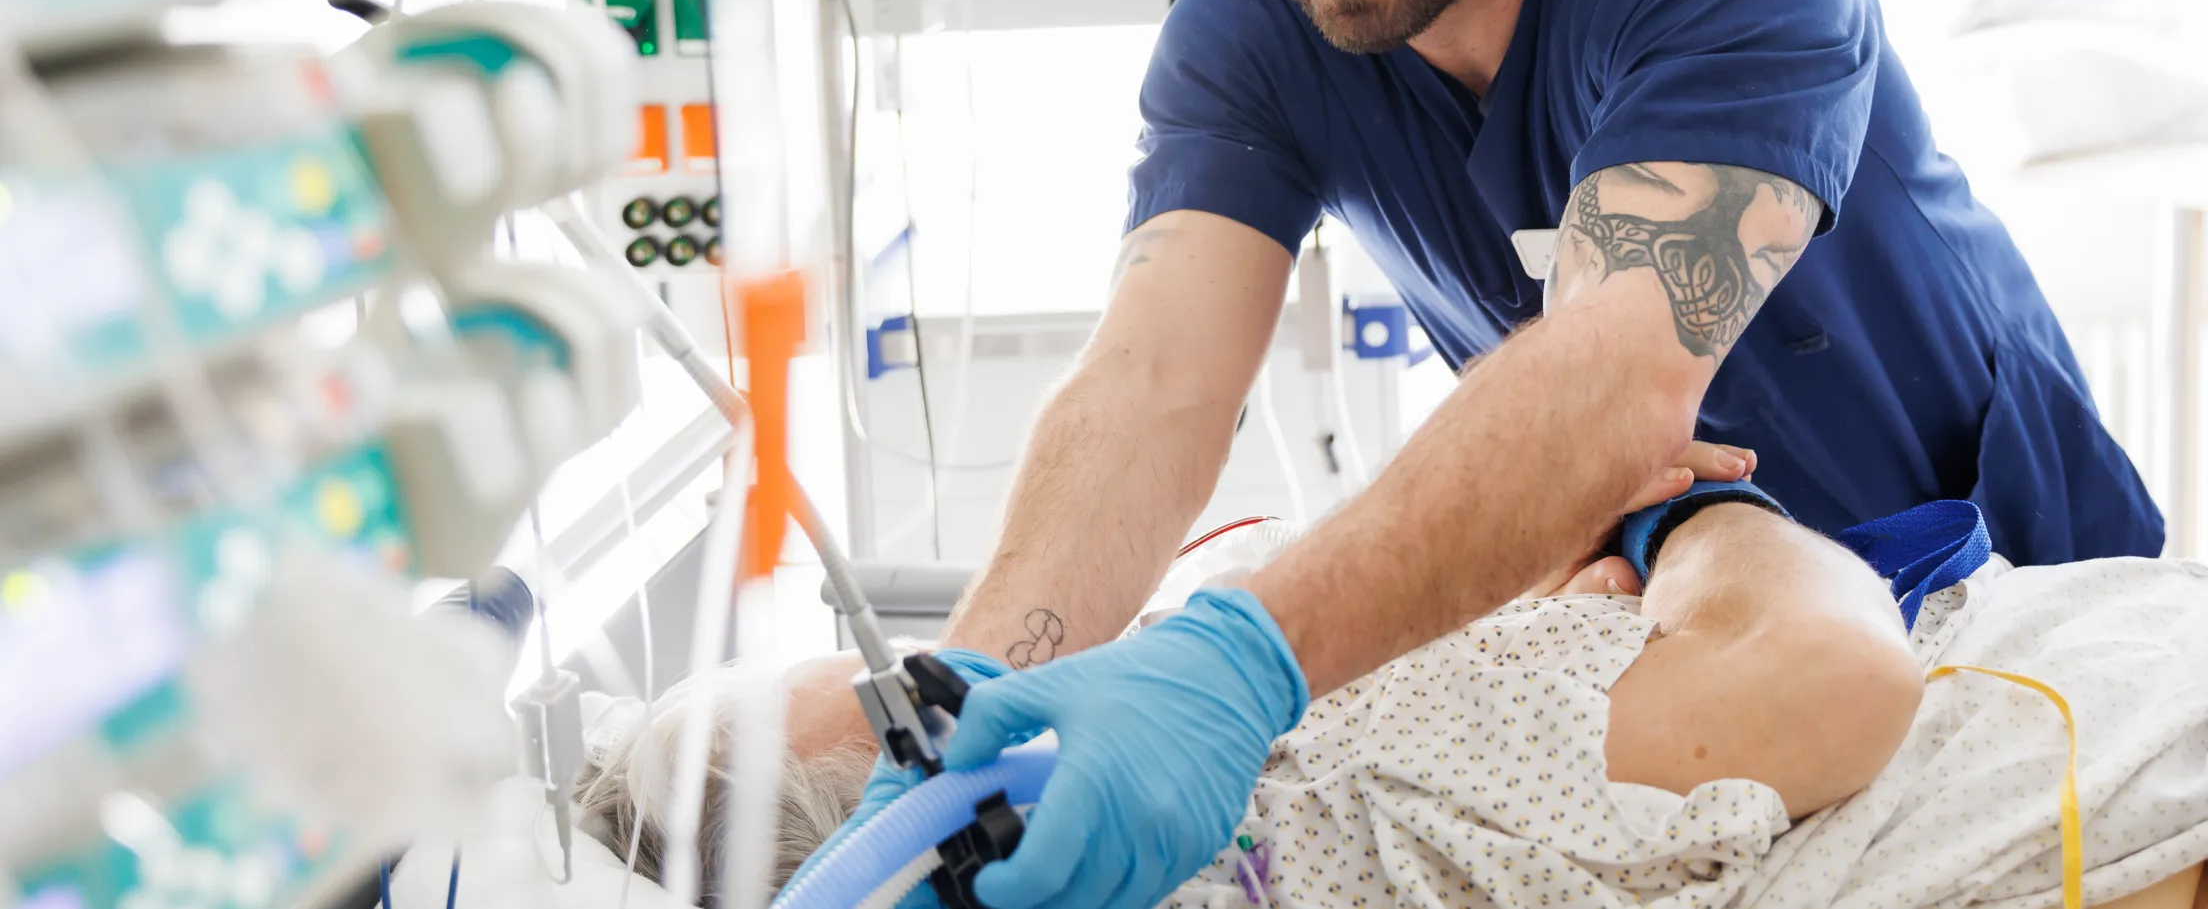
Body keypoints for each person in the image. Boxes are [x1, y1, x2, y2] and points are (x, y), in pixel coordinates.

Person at [825, 0, 2164, 909]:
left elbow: (1618, 378)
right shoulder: (1259, 29)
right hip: (1643, 584)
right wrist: (974, 688)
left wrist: (1237, 662)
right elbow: (1152, 381)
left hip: (1985, 565)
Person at [581, 489, 2208, 909]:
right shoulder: (1335, 820)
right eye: (901, 709)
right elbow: (1823, 674)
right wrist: (1690, 527)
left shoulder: (1250, 732)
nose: (968, 677)